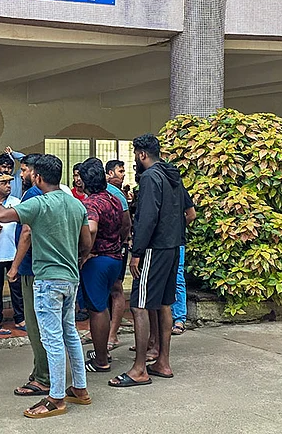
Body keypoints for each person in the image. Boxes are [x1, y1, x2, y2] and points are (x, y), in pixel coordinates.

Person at [0, 154, 92, 418]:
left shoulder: (38, 203)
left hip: (47, 279)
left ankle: (56, 398)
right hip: (70, 278)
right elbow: (86, 242)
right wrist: (76, 258)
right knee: (70, 333)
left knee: (52, 338)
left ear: (37, 177)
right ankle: (79, 388)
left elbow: (2, 215)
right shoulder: (76, 204)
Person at [110, 134, 184, 388]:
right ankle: (163, 362)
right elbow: (189, 212)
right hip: (173, 246)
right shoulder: (172, 174)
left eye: (135, 154)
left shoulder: (151, 177)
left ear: (142, 154)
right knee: (164, 303)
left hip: (154, 248)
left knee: (139, 305)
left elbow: (148, 218)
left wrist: (138, 252)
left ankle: (139, 369)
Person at [6, 153, 49, 398]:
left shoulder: (32, 194)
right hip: (48, 267)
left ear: (35, 173)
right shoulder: (61, 196)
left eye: (23, 170)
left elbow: (27, 233)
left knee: (35, 325)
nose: (20, 175)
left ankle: (43, 377)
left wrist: (14, 266)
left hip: (32, 268)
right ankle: (41, 370)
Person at [78, 158, 124, 372]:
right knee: (103, 306)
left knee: (96, 309)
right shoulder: (114, 199)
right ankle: (102, 352)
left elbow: (92, 228)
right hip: (115, 257)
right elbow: (126, 224)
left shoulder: (91, 203)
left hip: (98, 261)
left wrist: (85, 252)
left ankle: (101, 361)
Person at [0, 172, 24, 334]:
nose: (8, 186)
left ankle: (20, 317)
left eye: (9, 183)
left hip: (13, 252)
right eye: (4, 183)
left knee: (16, 288)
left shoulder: (16, 202)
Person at [105, 159, 132, 349]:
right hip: (106, 249)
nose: (123, 175)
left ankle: (113, 334)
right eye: (120, 171)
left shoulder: (118, 195)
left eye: (123, 171)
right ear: (109, 173)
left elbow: (126, 223)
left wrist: (120, 241)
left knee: (116, 288)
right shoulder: (104, 191)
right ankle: (103, 330)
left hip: (116, 248)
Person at [172, 189, 196, 335]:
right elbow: (191, 214)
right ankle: (178, 319)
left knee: (177, 279)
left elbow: (192, 214)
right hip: (176, 240)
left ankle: (179, 318)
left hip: (173, 241)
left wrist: (177, 228)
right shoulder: (179, 189)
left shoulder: (178, 189)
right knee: (177, 279)